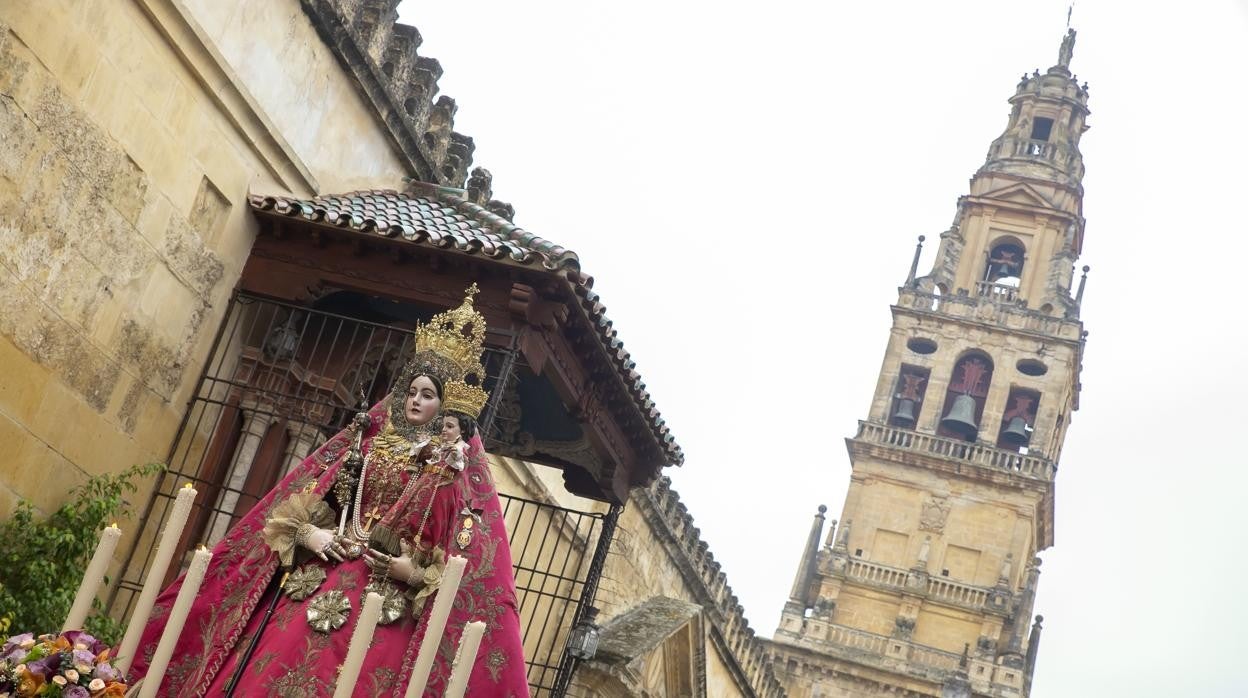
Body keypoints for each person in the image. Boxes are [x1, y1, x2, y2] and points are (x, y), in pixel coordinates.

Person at [128, 286, 530, 697]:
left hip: (386, 599)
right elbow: (313, 502)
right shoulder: (367, 446)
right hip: (323, 571)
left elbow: (457, 563)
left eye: (427, 396)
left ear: (444, 409)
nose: (414, 401)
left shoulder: (449, 473)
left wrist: (411, 572)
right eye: (410, 392)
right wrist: (310, 534)